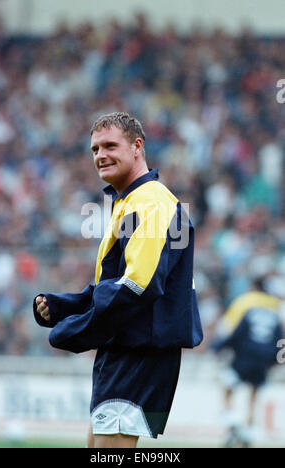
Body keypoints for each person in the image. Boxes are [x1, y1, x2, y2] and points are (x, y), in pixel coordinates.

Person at [34, 112, 203, 448]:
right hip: (127, 348)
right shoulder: (130, 201)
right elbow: (120, 281)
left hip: (139, 351)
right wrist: (67, 306)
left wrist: (80, 329)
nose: (100, 155)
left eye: (110, 145)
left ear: (137, 146)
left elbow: (140, 286)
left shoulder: (151, 201)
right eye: (95, 148)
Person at [211, 278, 284, 448]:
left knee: (227, 387)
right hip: (263, 361)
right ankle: (249, 434)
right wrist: (276, 361)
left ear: (254, 287)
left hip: (244, 358)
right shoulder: (275, 308)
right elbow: (280, 339)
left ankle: (233, 423)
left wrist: (216, 347)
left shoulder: (246, 304)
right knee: (253, 397)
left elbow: (235, 332)